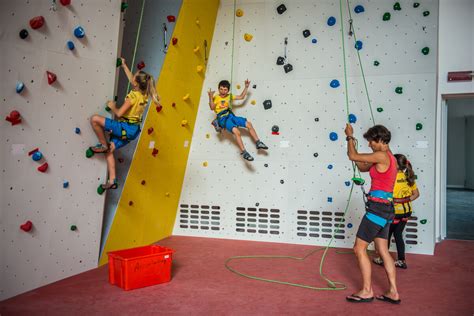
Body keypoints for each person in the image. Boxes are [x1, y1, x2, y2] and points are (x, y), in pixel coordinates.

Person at [344, 123, 401, 304]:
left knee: (358, 248)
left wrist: (349, 137)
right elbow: (361, 166)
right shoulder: (388, 158)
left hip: (377, 209)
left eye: (370, 142)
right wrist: (354, 148)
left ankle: (367, 291)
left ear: (379, 140)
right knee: (383, 251)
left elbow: (352, 155)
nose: (369, 145)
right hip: (386, 210)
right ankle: (393, 292)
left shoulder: (382, 155)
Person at [89, 57, 160, 190]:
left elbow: (119, 113)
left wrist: (112, 106)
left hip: (125, 128)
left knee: (94, 119)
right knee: (110, 150)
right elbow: (132, 79)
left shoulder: (133, 97)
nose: (133, 77)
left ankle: (103, 144)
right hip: (133, 131)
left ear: (136, 84)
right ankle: (112, 180)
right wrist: (124, 65)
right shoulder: (144, 94)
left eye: (136, 76)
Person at [373, 154, 420, 269]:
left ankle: (382, 259)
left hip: (393, 212)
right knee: (398, 234)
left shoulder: (391, 177)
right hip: (406, 212)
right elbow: (416, 194)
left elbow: (384, 195)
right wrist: (404, 200)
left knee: (386, 235)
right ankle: (401, 260)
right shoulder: (409, 176)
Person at [208, 79, 267, 161]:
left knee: (249, 124)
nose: (223, 91)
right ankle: (244, 152)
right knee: (237, 132)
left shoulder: (229, 96)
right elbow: (212, 108)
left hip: (230, 116)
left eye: (225, 89)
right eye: (221, 89)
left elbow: (241, 97)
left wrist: (246, 87)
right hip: (222, 119)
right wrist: (210, 97)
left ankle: (258, 142)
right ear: (218, 89)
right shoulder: (215, 97)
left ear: (228, 90)